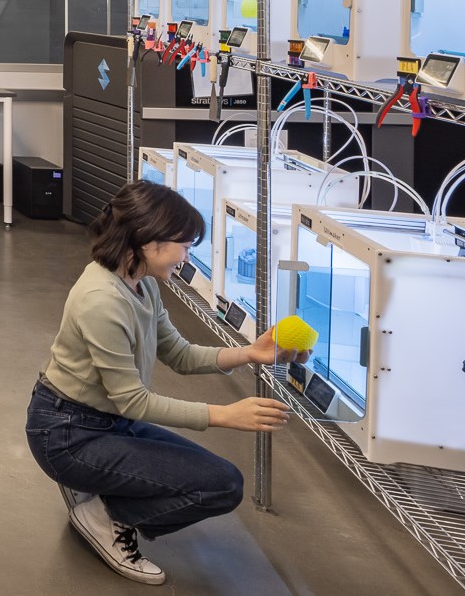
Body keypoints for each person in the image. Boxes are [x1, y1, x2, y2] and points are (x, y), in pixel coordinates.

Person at [25, 180, 309, 586]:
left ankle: (97, 494)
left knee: (221, 480)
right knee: (219, 487)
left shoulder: (142, 284)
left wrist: (250, 353)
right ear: (146, 240)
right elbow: (134, 403)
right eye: (184, 244)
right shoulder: (102, 300)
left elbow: (178, 353)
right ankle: (105, 516)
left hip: (105, 424)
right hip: (67, 434)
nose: (188, 254)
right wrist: (225, 414)